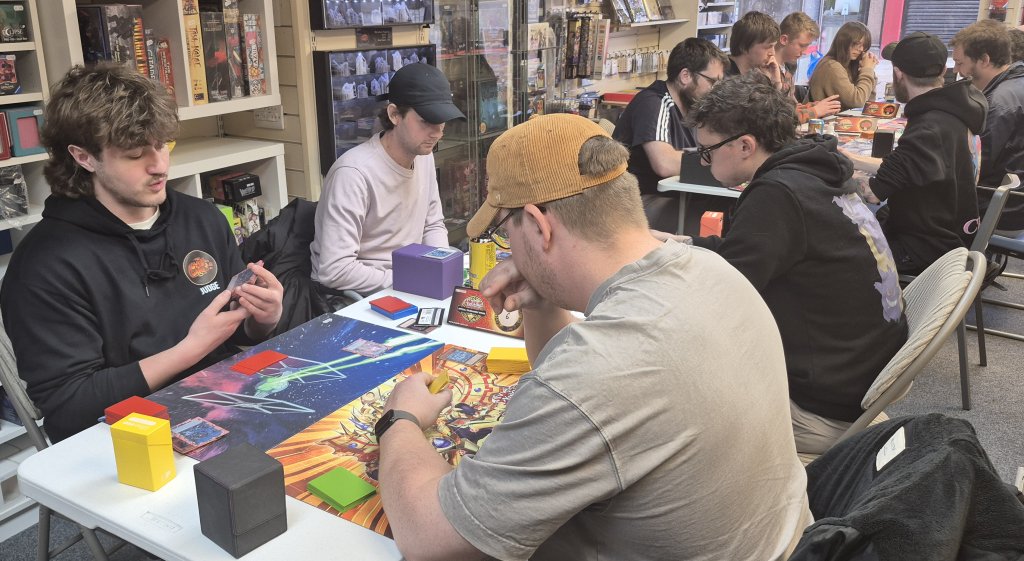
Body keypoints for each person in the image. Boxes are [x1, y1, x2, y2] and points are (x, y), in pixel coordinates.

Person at [375, 114, 811, 560]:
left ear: (539, 225)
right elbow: (589, 400)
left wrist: (399, 421)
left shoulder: (599, 371)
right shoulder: (712, 270)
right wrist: (543, 302)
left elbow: (430, 540)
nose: (509, 249)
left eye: (507, 233)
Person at [0, 64, 284, 443]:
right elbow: (70, 406)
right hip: (123, 438)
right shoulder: (44, 266)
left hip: (225, 404)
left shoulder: (201, 219)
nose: (159, 166)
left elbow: (234, 332)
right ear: (84, 157)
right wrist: (190, 349)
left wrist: (262, 318)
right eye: (134, 154)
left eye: (163, 145)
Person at [689, 73, 908, 454]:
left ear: (744, 145)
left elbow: (723, 293)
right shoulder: (816, 171)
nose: (704, 160)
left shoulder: (776, 194)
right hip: (860, 375)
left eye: (707, 150)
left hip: (821, 405)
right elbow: (755, 252)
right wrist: (688, 244)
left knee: (676, 380)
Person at [310, 63, 464, 305]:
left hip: (411, 285)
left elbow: (432, 223)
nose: (437, 133)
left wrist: (440, 267)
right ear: (394, 115)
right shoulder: (353, 173)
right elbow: (334, 269)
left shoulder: (423, 155)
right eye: (426, 121)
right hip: (364, 296)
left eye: (442, 121)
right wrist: (407, 280)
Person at [848, 32, 987, 275]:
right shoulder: (953, 113)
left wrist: (832, 170)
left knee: (833, 246)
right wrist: (851, 158)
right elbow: (904, 166)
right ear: (943, 70)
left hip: (924, 250)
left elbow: (872, 193)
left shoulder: (927, 128)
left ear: (898, 73)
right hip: (951, 235)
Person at [612, 37, 728, 232]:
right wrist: (720, 164)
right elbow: (664, 163)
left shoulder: (693, 107)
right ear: (685, 76)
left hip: (675, 196)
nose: (716, 90)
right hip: (637, 205)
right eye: (712, 82)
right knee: (719, 223)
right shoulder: (654, 102)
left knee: (730, 209)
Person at [951, 20, 1024, 232]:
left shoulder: (999, 103)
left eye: (960, 63)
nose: (957, 71)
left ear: (984, 60)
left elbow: (974, 167)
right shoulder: (1016, 82)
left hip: (1004, 207)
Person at [776, 11, 842, 122]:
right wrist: (816, 111)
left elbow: (792, 108)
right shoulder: (766, 70)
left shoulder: (787, 67)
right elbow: (778, 118)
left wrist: (817, 107)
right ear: (784, 39)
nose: (805, 52)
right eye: (802, 45)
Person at [808, 21, 878, 109]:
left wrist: (868, 70)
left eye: (864, 46)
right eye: (857, 44)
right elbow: (857, 101)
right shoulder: (831, 66)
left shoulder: (849, 64)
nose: (861, 49)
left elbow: (868, 102)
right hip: (822, 121)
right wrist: (868, 69)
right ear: (844, 42)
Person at [727, 10, 782, 87]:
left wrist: (775, 82)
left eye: (773, 46)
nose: (773, 53)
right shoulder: (722, 77)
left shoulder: (753, 76)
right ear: (744, 47)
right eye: (768, 47)